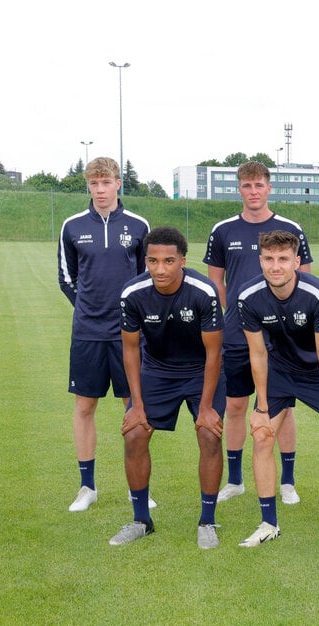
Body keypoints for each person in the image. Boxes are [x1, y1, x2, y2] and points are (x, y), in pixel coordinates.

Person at [237, 230, 319, 553]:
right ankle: (268, 524)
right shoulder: (248, 297)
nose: (276, 266)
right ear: (260, 260)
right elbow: (258, 353)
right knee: (262, 435)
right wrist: (261, 406)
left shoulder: (316, 293)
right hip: (279, 369)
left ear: (296, 261)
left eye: (283, 259)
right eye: (269, 259)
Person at [108, 226, 226, 549]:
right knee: (134, 434)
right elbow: (130, 350)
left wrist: (205, 408)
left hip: (201, 369)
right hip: (158, 369)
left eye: (169, 261)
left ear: (183, 261)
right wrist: (136, 404)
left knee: (208, 433)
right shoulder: (132, 293)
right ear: (145, 260)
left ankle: (207, 520)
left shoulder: (204, 291)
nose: (160, 269)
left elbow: (215, 352)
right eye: (153, 261)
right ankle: (141, 520)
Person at [203, 161, 312, 506]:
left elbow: (303, 279)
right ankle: (235, 481)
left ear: (269, 188)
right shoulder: (223, 231)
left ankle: (288, 481)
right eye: (247, 185)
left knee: (282, 408)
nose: (253, 191)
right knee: (235, 406)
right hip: (236, 333)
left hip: (281, 336)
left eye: (259, 185)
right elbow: (215, 282)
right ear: (240, 188)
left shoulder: (290, 228)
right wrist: (233, 314)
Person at [57, 156, 152, 512]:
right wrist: (87, 308)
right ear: (89, 186)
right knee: (85, 405)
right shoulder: (72, 226)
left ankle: (137, 488)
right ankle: (87, 487)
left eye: (106, 182)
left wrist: (135, 317)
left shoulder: (139, 225)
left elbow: (149, 277)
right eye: (94, 184)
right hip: (88, 333)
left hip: (129, 335)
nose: (100, 190)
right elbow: (66, 278)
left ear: (117, 184)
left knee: (134, 407)